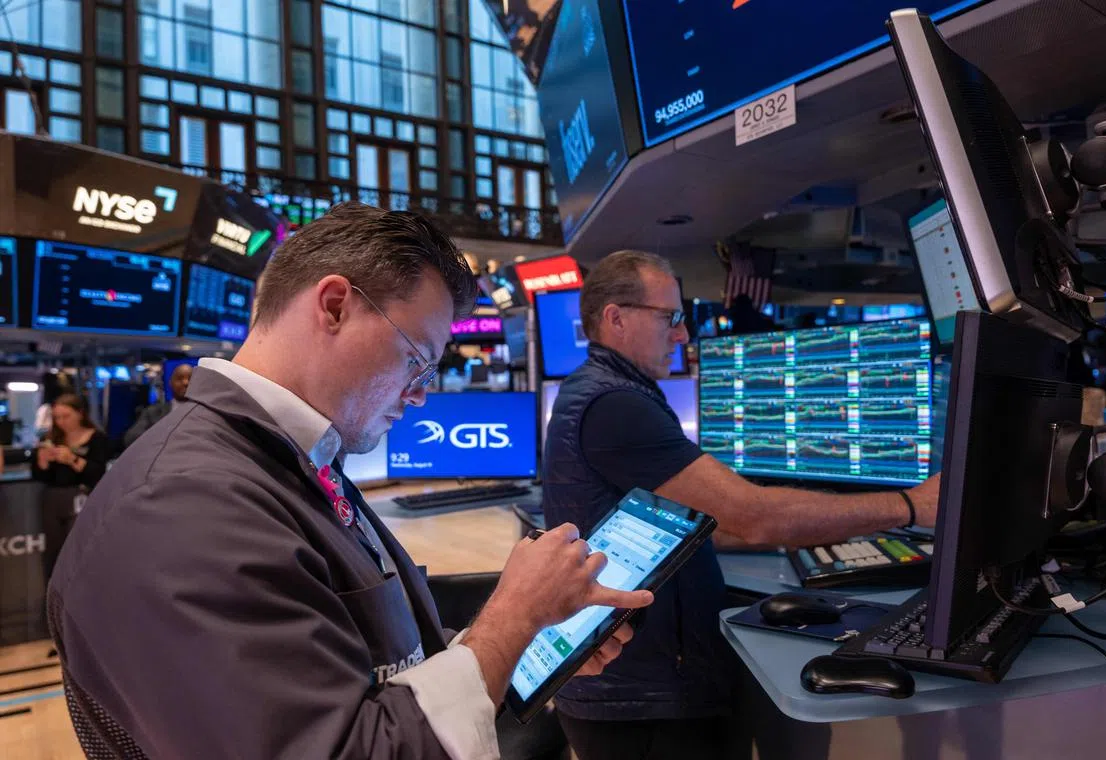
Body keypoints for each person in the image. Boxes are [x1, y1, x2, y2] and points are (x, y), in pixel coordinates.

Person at [47, 202, 653, 760]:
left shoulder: (287, 459)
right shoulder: (179, 506)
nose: (419, 397)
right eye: (418, 359)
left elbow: (374, 663)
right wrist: (512, 619)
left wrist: (523, 643)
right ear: (335, 304)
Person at [543, 250, 941, 760]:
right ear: (615, 318)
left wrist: (808, 529)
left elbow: (696, 523)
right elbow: (754, 515)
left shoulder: (605, 390)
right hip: (641, 703)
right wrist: (911, 505)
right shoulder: (614, 404)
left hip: (639, 688)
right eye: (671, 318)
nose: (683, 335)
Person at [32, 393, 112, 577]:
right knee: (53, 551)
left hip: (82, 498)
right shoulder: (51, 438)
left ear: (80, 413)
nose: (61, 422)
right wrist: (43, 462)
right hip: (53, 499)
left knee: (80, 548)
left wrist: (73, 459)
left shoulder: (97, 439)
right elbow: (39, 475)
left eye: (66, 416)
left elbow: (98, 472)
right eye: (57, 417)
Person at [122, 363, 193, 448]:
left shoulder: (205, 412)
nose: (185, 383)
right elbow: (131, 438)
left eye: (190, 379)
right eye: (180, 379)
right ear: (171, 383)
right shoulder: (153, 412)